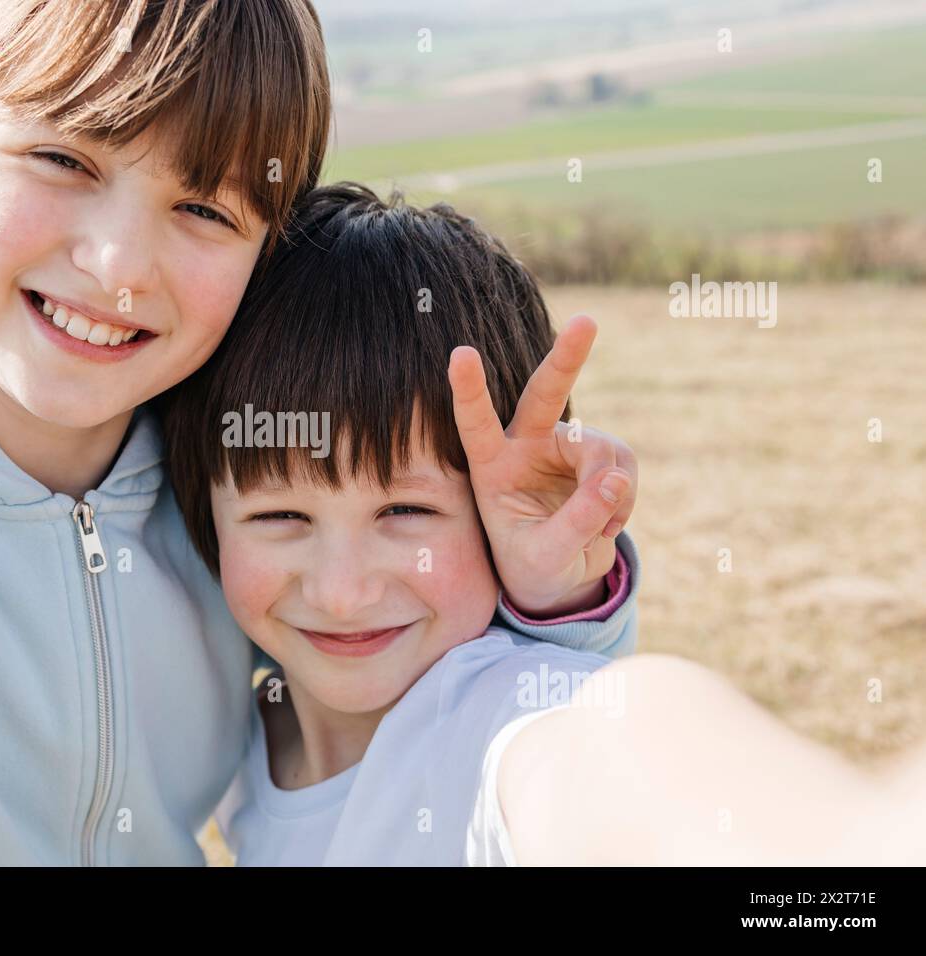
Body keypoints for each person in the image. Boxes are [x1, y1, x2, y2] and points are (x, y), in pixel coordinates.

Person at [0, 4, 638, 865]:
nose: (118, 265)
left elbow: (462, 720)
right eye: (63, 157)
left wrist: (557, 604)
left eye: (203, 207)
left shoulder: (231, 487)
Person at [165, 182, 921, 866]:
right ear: (205, 512)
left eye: (407, 510)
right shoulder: (239, 744)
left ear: (500, 518)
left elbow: (621, 745)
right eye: (281, 515)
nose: (341, 592)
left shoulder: (495, 719)